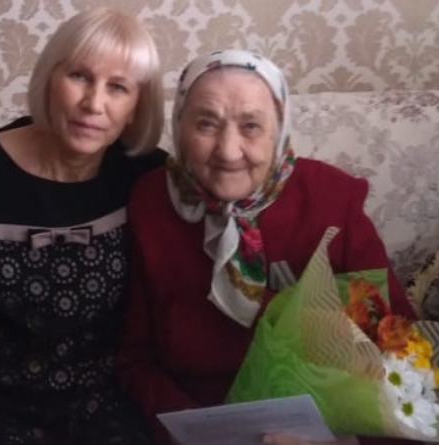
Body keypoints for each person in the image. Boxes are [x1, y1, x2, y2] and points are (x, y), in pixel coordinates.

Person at [116, 49, 417, 445]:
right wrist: (192, 431)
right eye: (206, 123)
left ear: (280, 130)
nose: (228, 151)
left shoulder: (331, 201)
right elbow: (135, 359)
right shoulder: (152, 202)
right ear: (179, 125)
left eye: (251, 126)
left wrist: (345, 441)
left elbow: (401, 353)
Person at [0, 7, 166, 445]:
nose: (94, 104)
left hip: (104, 405)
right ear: (50, 79)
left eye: (118, 87)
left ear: (135, 107)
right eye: (80, 76)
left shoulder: (146, 176)